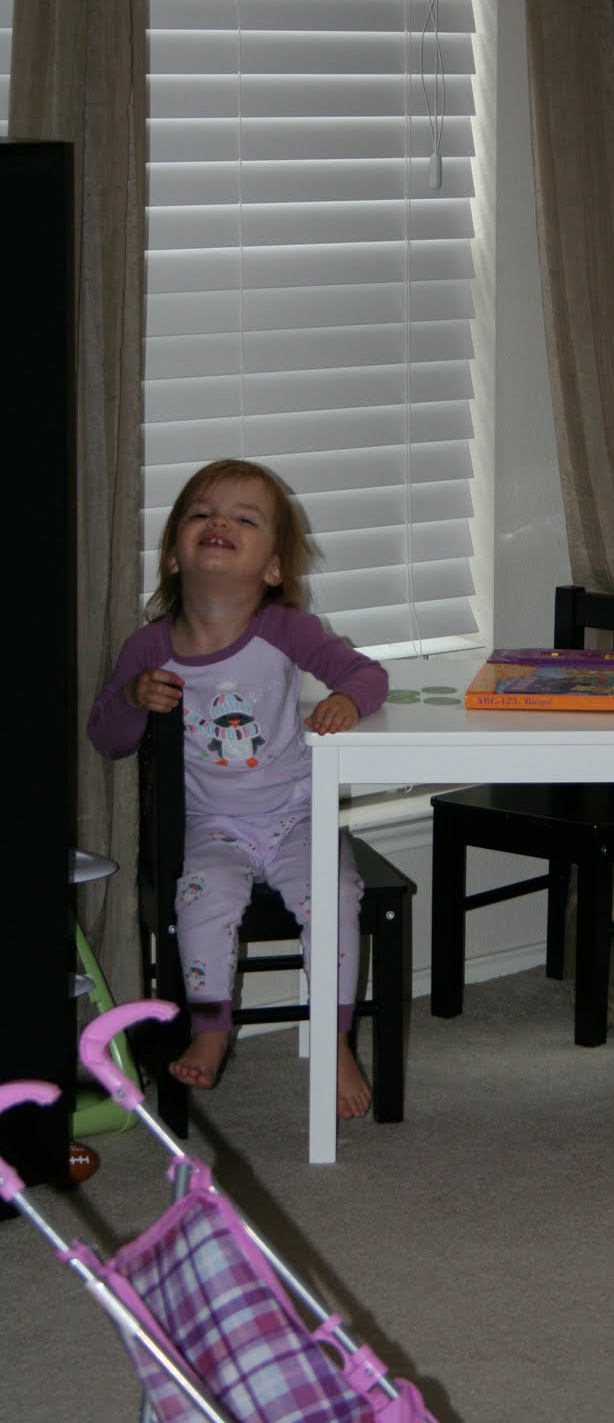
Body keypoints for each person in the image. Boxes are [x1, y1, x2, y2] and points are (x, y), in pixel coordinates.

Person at [89, 458, 389, 1118]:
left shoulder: (285, 629)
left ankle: (334, 1036)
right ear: (174, 556)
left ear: (273, 568)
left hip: (296, 815)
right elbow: (106, 739)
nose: (219, 521)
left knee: (333, 895)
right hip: (211, 826)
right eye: (201, 513)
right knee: (203, 898)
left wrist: (345, 698)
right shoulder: (149, 647)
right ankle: (211, 1027)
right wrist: (134, 697)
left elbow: (367, 674)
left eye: (244, 518)